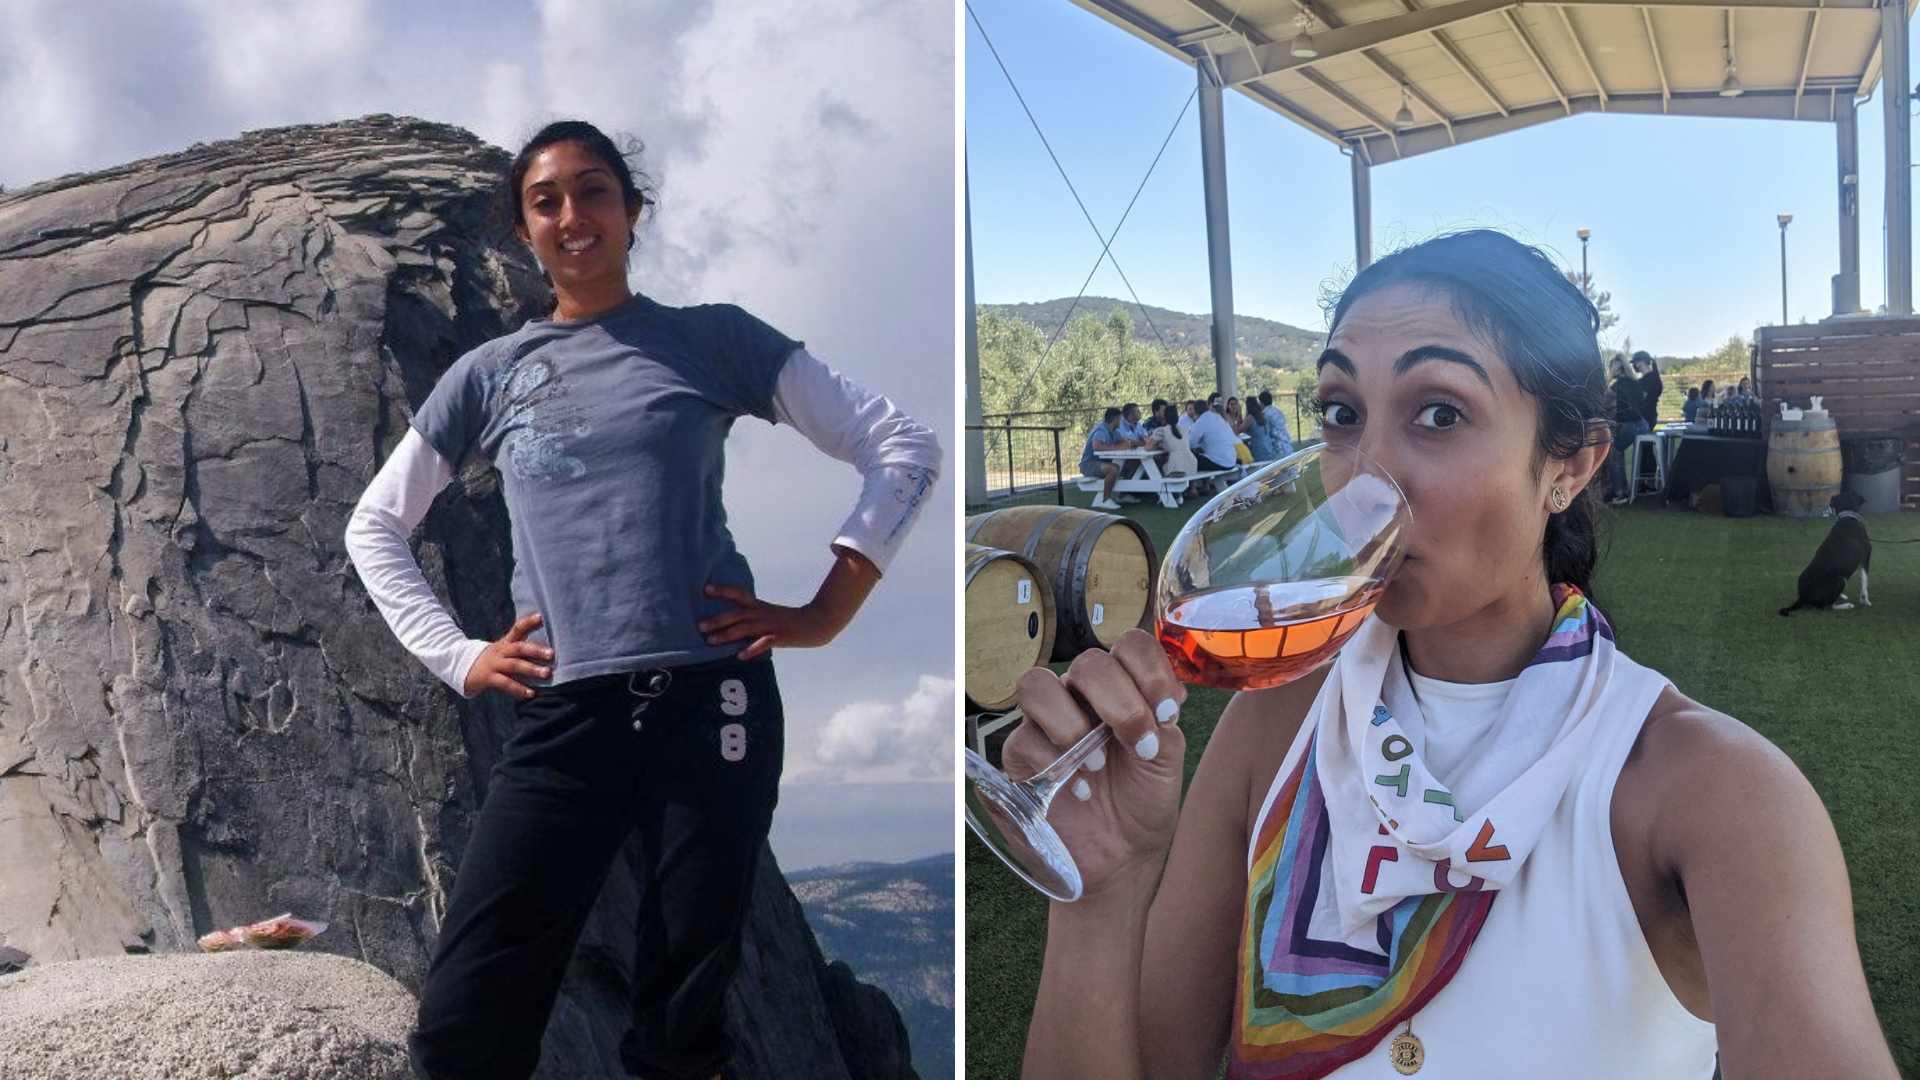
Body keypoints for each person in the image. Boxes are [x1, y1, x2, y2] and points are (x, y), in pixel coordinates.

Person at [1007, 229, 1896, 1080]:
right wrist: (1100, 897)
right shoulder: (1275, 722)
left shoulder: (1711, 793)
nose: (1364, 480)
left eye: (1439, 414)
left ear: (1571, 466)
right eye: (1342, 414)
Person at [342, 120, 940, 1080]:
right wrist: (459, 656)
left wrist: (827, 611)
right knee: (464, 1023)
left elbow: (903, 448)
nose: (572, 215)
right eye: (546, 201)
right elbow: (373, 524)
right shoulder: (488, 376)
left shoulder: (713, 339)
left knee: (680, 1030)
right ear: (523, 231)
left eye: (594, 190)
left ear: (632, 211)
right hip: (563, 709)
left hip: (715, 700)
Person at [1607, 354, 1646, 505]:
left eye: (1611, 367)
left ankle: (1620, 493)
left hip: (1631, 424)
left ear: (1617, 368)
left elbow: (1602, 398)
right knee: (1618, 452)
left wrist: (1610, 375)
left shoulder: (1619, 384)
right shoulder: (1635, 383)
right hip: (1641, 423)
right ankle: (1623, 489)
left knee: (1613, 452)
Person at [1081, 406, 1131, 510]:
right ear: (1115, 419)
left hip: (1101, 463)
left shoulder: (1114, 431)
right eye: (1120, 419)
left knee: (1126, 466)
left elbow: (1125, 443)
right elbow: (1097, 446)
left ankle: (1124, 495)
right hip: (1089, 465)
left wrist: (1120, 445)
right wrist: (1116, 448)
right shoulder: (1101, 431)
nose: (1121, 422)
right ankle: (1105, 500)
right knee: (1113, 469)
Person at [1186, 399, 1239, 475]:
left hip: (1219, 462)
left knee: (1188, 459)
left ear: (1195, 411)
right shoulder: (1218, 417)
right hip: (1232, 461)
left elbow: (1190, 443)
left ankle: (1193, 483)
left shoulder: (1202, 420)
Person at [1259, 389, 1295, 458]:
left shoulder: (1265, 414)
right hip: (1286, 444)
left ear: (1261, 402)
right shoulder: (1278, 411)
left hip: (1277, 447)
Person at [1243, 395, 1280, 462]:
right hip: (1269, 449)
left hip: (1259, 451)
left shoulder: (1250, 418)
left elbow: (1240, 429)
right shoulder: (1264, 415)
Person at [1631, 352, 1663, 426]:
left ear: (1640, 362)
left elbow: (1643, 400)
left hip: (1645, 419)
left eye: (1634, 362)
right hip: (1650, 417)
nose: (1634, 365)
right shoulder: (1653, 377)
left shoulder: (1649, 380)